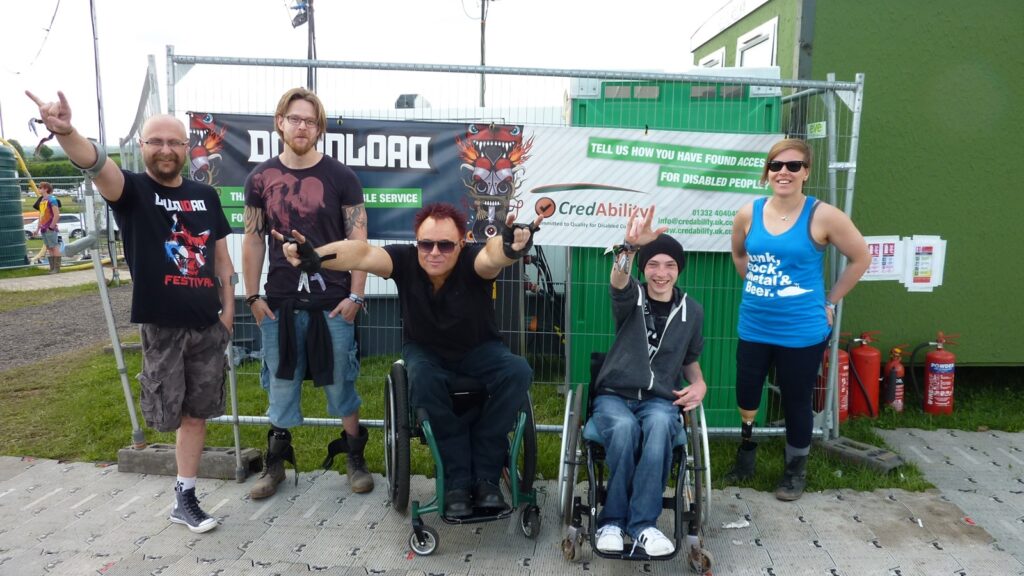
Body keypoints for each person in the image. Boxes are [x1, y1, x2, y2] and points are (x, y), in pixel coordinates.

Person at [27, 90, 235, 532]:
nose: (165, 149)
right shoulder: (133, 191)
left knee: (198, 414)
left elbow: (222, 261)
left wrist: (229, 314)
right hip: (163, 327)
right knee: (167, 415)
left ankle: (185, 496)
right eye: (155, 141)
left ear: (185, 148)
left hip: (208, 325)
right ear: (142, 147)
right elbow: (96, 163)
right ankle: (182, 492)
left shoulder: (206, 196)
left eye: (174, 142)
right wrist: (65, 132)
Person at [275, 203, 539, 518]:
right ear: (417, 244)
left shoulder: (473, 260)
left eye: (445, 245)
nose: (434, 252)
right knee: (423, 378)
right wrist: (316, 257)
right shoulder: (403, 260)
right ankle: (457, 480)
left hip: (479, 349)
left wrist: (510, 246)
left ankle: (485, 478)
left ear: (462, 244)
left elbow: (492, 257)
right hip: (426, 351)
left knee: (517, 370)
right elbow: (360, 254)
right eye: (426, 244)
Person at [241, 87, 373, 500]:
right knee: (280, 385)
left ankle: (355, 457)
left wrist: (356, 296)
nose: (302, 126)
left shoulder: (342, 177)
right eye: (295, 119)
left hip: (333, 302)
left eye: (310, 121)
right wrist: (251, 297)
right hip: (279, 304)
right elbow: (252, 240)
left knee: (341, 384)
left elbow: (359, 238)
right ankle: (275, 462)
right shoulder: (259, 178)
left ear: (320, 128)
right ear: (279, 121)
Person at [727, 138, 869, 501]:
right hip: (755, 324)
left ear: (806, 171)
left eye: (793, 166)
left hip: (801, 330)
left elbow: (860, 258)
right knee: (746, 394)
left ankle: (795, 470)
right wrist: (760, 284)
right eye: (776, 166)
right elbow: (740, 254)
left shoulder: (823, 216)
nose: (784, 172)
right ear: (767, 172)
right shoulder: (748, 212)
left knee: (795, 398)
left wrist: (831, 300)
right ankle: (746, 453)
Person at [589, 206, 707, 557]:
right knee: (624, 430)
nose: (661, 273)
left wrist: (699, 385)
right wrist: (628, 247)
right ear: (644, 269)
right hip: (615, 394)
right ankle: (611, 521)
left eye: (670, 265)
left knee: (658, 427)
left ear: (678, 270)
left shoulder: (692, 310)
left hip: (659, 399)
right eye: (653, 264)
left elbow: (690, 360)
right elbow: (618, 280)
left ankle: (644, 526)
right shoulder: (632, 296)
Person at [34, 181, 61, 273]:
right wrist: (37, 228)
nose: (39, 189)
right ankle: (52, 268)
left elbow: (57, 214)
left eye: (40, 187)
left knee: (54, 246)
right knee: (49, 247)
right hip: (43, 228)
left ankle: (56, 268)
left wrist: (51, 227)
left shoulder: (52, 199)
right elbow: (41, 215)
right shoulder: (42, 200)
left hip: (49, 227)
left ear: (46, 189)